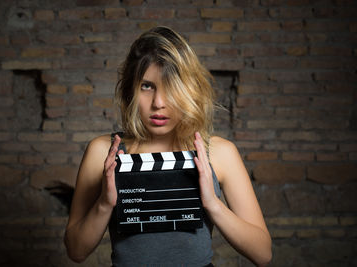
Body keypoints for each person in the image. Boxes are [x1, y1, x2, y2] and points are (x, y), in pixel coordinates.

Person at [64, 26, 272, 266]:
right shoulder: (103, 152)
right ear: (130, 90)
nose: (159, 103)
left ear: (188, 90)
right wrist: (104, 203)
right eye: (147, 86)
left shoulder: (218, 153)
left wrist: (213, 205)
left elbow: (263, 253)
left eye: (171, 86)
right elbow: (76, 251)